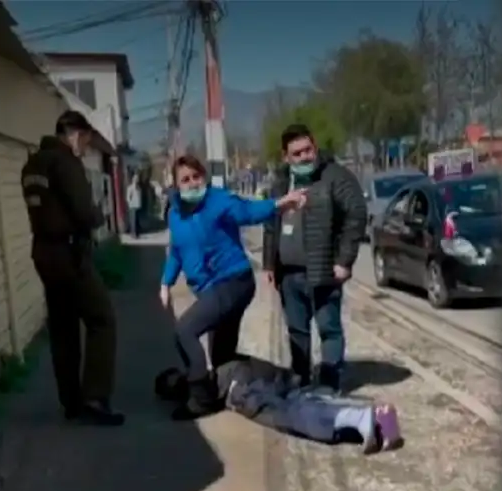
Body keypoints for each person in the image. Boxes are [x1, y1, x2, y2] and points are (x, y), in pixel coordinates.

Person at [161, 154, 306, 421]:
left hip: (233, 282)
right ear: (176, 185)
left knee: (185, 330)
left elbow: (248, 212)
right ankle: (284, 379)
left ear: (203, 177)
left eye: (196, 177)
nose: (192, 184)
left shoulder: (218, 200)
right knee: (222, 359)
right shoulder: (175, 215)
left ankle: (201, 399)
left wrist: (279, 204)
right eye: (185, 179)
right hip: (210, 290)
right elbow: (176, 252)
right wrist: (165, 282)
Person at [21, 110, 122, 426]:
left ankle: (71, 402)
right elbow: (83, 210)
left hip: (43, 252)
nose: (85, 147)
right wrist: (96, 215)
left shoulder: (32, 165)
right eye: (86, 140)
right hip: (69, 253)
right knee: (101, 319)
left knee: (63, 328)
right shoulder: (64, 161)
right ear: (75, 133)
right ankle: (94, 397)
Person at [262, 124, 368, 391]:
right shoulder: (280, 184)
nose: (304, 157)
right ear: (286, 157)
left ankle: (329, 384)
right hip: (288, 275)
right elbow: (270, 225)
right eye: (296, 153)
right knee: (297, 331)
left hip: (323, 272)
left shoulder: (336, 177)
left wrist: (344, 261)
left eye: (307, 150)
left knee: (328, 329)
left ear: (315, 147)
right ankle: (301, 379)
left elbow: (356, 216)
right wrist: (268, 263)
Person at [155, 357, 404, 454]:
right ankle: (375, 418)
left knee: (293, 417)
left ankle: (363, 418)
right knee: (301, 399)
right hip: (261, 376)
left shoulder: (195, 384)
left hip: (246, 388)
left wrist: (183, 411)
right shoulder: (205, 366)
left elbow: (198, 405)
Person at [125, 173, 143, 238]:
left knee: (137, 220)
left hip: (137, 206)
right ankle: (133, 234)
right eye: (135, 179)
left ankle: (137, 233)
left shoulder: (138, 188)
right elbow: (128, 197)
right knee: (133, 221)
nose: (136, 180)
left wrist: (140, 205)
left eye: (137, 179)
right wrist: (130, 204)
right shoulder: (130, 188)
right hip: (132, 206)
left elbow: (139, 197)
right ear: (133, 179)